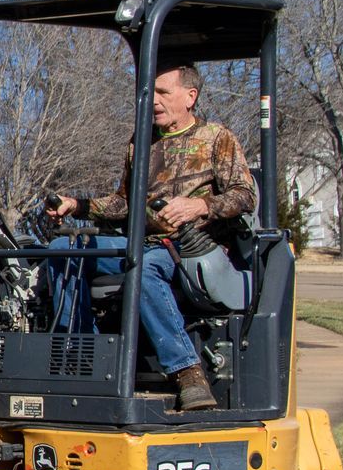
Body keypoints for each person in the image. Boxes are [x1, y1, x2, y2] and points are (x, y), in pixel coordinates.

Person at [48, 63, 255, 412]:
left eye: (163, 93)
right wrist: (77, 206)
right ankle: (83, 357)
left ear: (190, 97)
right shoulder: (141, 143)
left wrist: (197, 206)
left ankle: (188, 373)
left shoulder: (216, 138)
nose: (153, 101)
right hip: (142, 244)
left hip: (192, 248)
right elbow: (124, 204)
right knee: (61, 250)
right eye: (150, 93)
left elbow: (244, 196)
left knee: (139, 267)